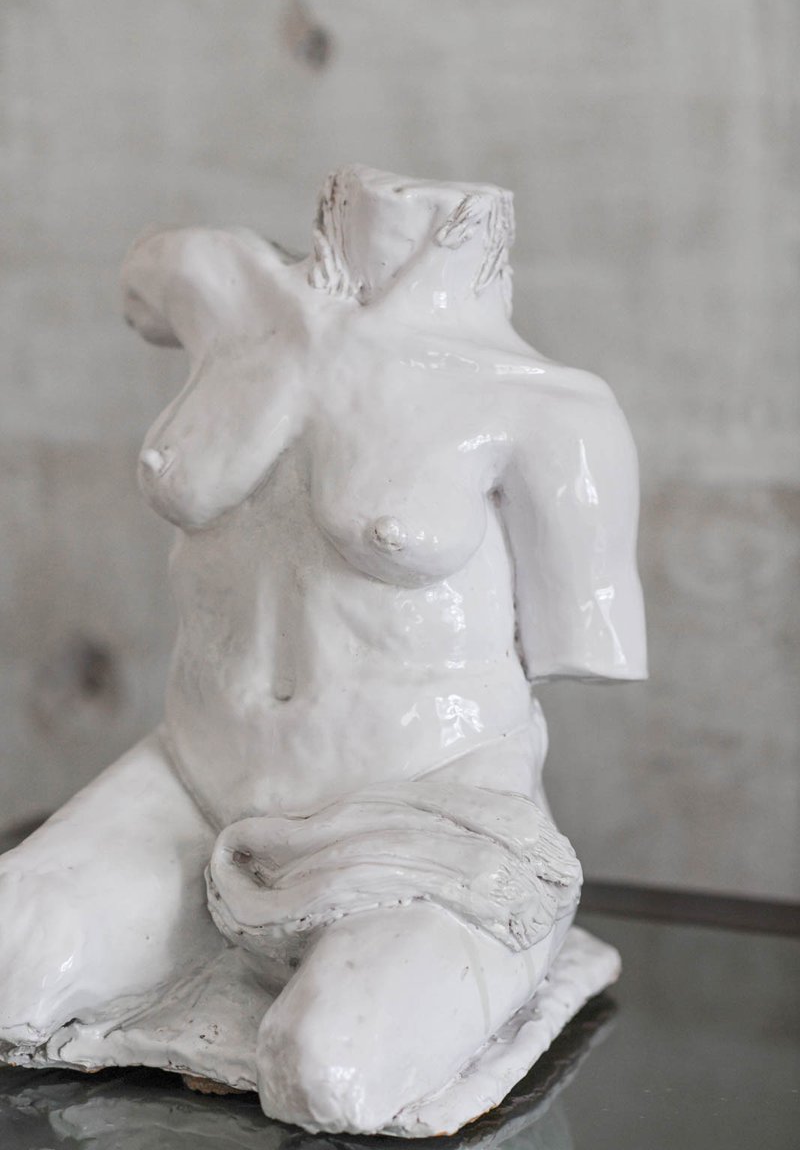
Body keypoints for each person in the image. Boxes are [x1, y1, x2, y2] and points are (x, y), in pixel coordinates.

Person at [0, 166, 646, 1135]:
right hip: (193, 785)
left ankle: (474, 955)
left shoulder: (547, 406)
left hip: (420, 810)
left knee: (325, 1071)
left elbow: (571, 644)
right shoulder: (231, 299)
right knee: (11, 969)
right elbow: (145, 280)